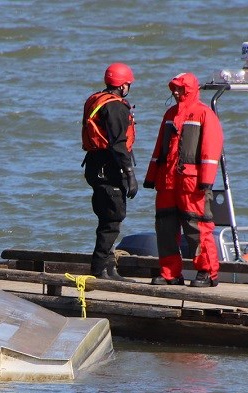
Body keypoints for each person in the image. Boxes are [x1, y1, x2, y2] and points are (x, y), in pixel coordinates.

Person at [143, 72, 222, 287]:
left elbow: (211, 149)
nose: (176, 93)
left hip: (192, 184)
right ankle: (170, 273)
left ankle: (207, 272)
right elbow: (159, 148)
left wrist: (206, 181)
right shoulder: (170, 114)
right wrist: (151, 177)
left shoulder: (204, 114)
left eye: (180, 89)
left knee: (197, 229)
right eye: (174, 89)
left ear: (190, 90)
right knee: (165, 229)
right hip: (167, 182)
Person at [81, 62, 139, 282]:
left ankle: (108, 267)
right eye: (128, 84)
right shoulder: (115, 107)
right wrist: (130, 174)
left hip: (96, 166)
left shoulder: (96, 99)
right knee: (112, 219)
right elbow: (118, 144)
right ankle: (98, 269)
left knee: (108, 217)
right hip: (109, 169)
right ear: (123, 86)